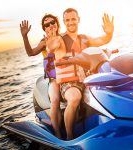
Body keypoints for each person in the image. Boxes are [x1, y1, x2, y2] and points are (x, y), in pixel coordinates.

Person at [46, 8, 114, 140]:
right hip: (69, 83)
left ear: (78, 19)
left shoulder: (84, 38)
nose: (70, 22)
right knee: (74, 97)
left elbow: (103, 40)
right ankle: (69, 136)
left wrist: (109, 33)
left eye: (73, 19)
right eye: (67, 20)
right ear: (64, 22)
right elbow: (51, 47)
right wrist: (51, 41)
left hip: (88, 80)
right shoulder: (59, 39)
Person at [19, 14, 62, 138]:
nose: (50, 26)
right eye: (46, 25)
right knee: (55, 100)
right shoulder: (44, 42)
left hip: (69, 76)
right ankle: (58, 134)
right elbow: (31, 53)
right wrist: (25, 36)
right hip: (54, 80)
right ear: (44, 29)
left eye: (52, 22)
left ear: (57, 24)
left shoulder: (64, 37)